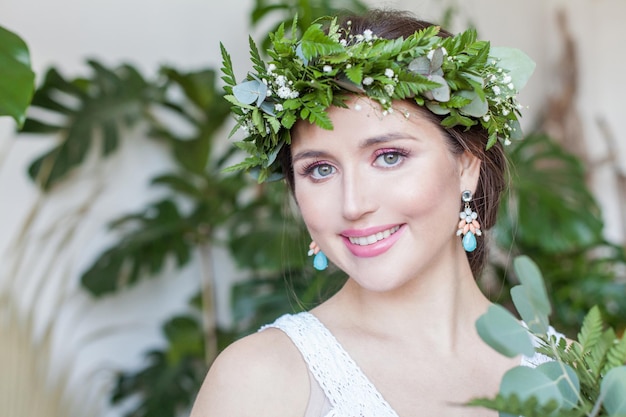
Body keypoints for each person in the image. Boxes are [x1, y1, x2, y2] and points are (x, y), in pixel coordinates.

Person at [191, 8, 538, 417]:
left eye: (389, 157)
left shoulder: (569, 371)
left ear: (466, 164)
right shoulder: (260, 379)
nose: (353, 205)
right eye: (320, 169)